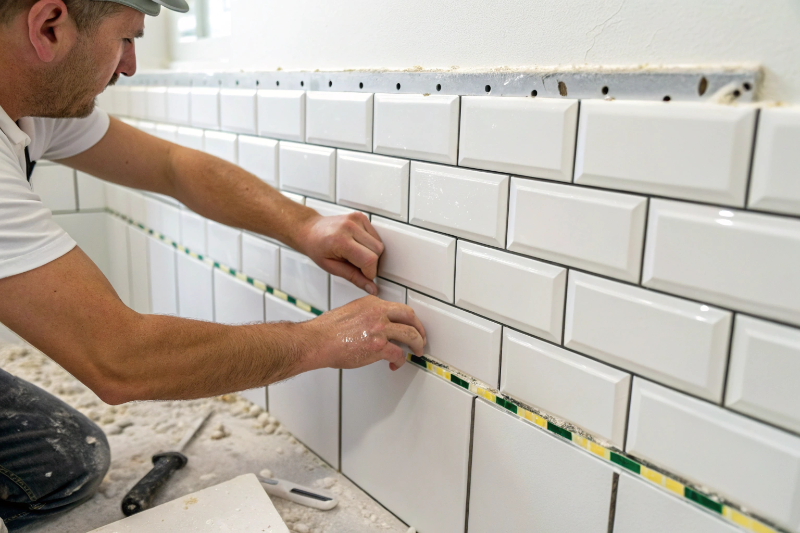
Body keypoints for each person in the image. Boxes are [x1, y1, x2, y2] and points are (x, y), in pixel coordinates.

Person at [0, 0, 427, 529]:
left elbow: (172, 167)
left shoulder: (28, 104)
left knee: (63, 465)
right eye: (125, 39)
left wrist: (305, 225)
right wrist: (316, 341)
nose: (129, 64)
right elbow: (120, 359)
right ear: (48, 27)